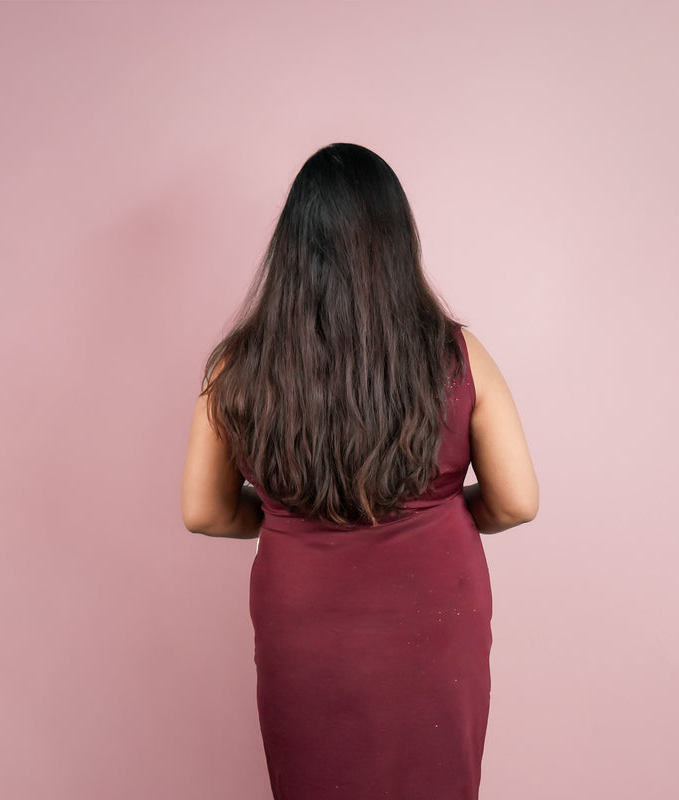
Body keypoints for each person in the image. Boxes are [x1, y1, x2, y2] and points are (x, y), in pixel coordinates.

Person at [180, 143, 538, 800]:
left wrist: (284, 514)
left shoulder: (235, 367)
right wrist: (438, 510)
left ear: (291, 248)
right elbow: (516, 502)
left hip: (301, 617)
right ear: (397, 241)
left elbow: (205, 512)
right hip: (437, 607)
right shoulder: (457, 355)